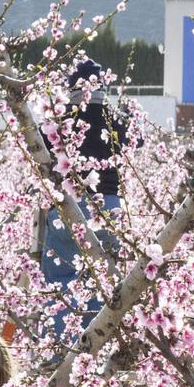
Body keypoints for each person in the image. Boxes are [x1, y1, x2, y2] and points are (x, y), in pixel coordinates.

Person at [39, 57, 133, 342]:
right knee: (104, 284)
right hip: (112, 209)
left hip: (69, 206)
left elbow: (41, 155)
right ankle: (97, 348)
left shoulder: (58, 121)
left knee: (60, 280)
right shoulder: (118, 120)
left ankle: (60, 349)